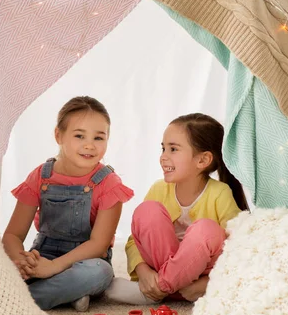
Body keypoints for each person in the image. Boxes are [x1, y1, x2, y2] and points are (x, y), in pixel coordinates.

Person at [2, 96, 134, 311]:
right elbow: (12, 235)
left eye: (99, 138)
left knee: (100, 273)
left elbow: (98, 245)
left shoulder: (109, 184)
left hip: (84, 260)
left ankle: (20, 302)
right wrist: (22, 261)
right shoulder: (40, 176)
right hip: (43, 255)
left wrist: (53, 268)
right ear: (58, 135)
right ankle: (67, 293)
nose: (89, 145)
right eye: (79, 136)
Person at [106, 113, 249, 304]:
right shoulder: (159, 189)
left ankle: (160, 290)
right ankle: (174, 289)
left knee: (206, 229)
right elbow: (135, 240)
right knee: (147, 211)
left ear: (202, 160)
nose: (163, 157)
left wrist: (207, 283)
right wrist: (144, 271)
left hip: (200, 275)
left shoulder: (220, 193)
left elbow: (239, 248)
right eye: (163, 148)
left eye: (173, 149)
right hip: (161, 266)